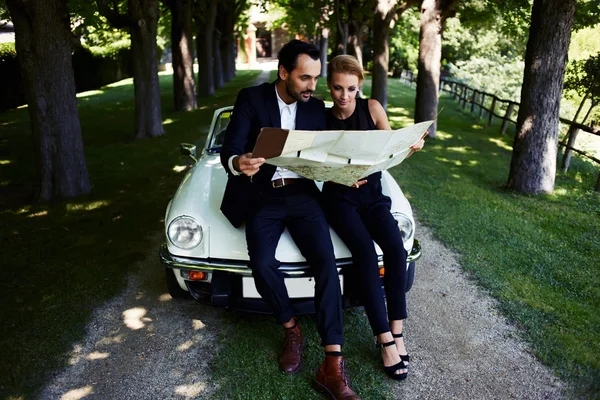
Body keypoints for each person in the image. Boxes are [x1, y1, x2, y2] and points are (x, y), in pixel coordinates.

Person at [220, 41, 360, 399]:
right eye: (305, 78)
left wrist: (355, 167)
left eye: (315, 78)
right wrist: (240, 162)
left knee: (327, 264)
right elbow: (230, 149)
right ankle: (291, 327)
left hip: (302, 195)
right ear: (284, 73)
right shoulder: (252, 99)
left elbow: (342, 142)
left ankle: (332, 362)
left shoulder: (314, 109)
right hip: (262, 194)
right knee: (263, 263)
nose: (312, 86)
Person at [321, 55, 425, 381]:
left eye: (351, 88)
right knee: (365, 253)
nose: (344, 95)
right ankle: (383, 340)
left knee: (396, 248)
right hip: (339, 199)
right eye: (337, 87)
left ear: (360, 86)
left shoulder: (373, 108)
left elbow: (390, 150)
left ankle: (397, 331)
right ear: (330, 86)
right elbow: (315, 165)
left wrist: (411, 147)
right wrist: (339, 175)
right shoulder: (321, 118)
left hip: (373, 196)